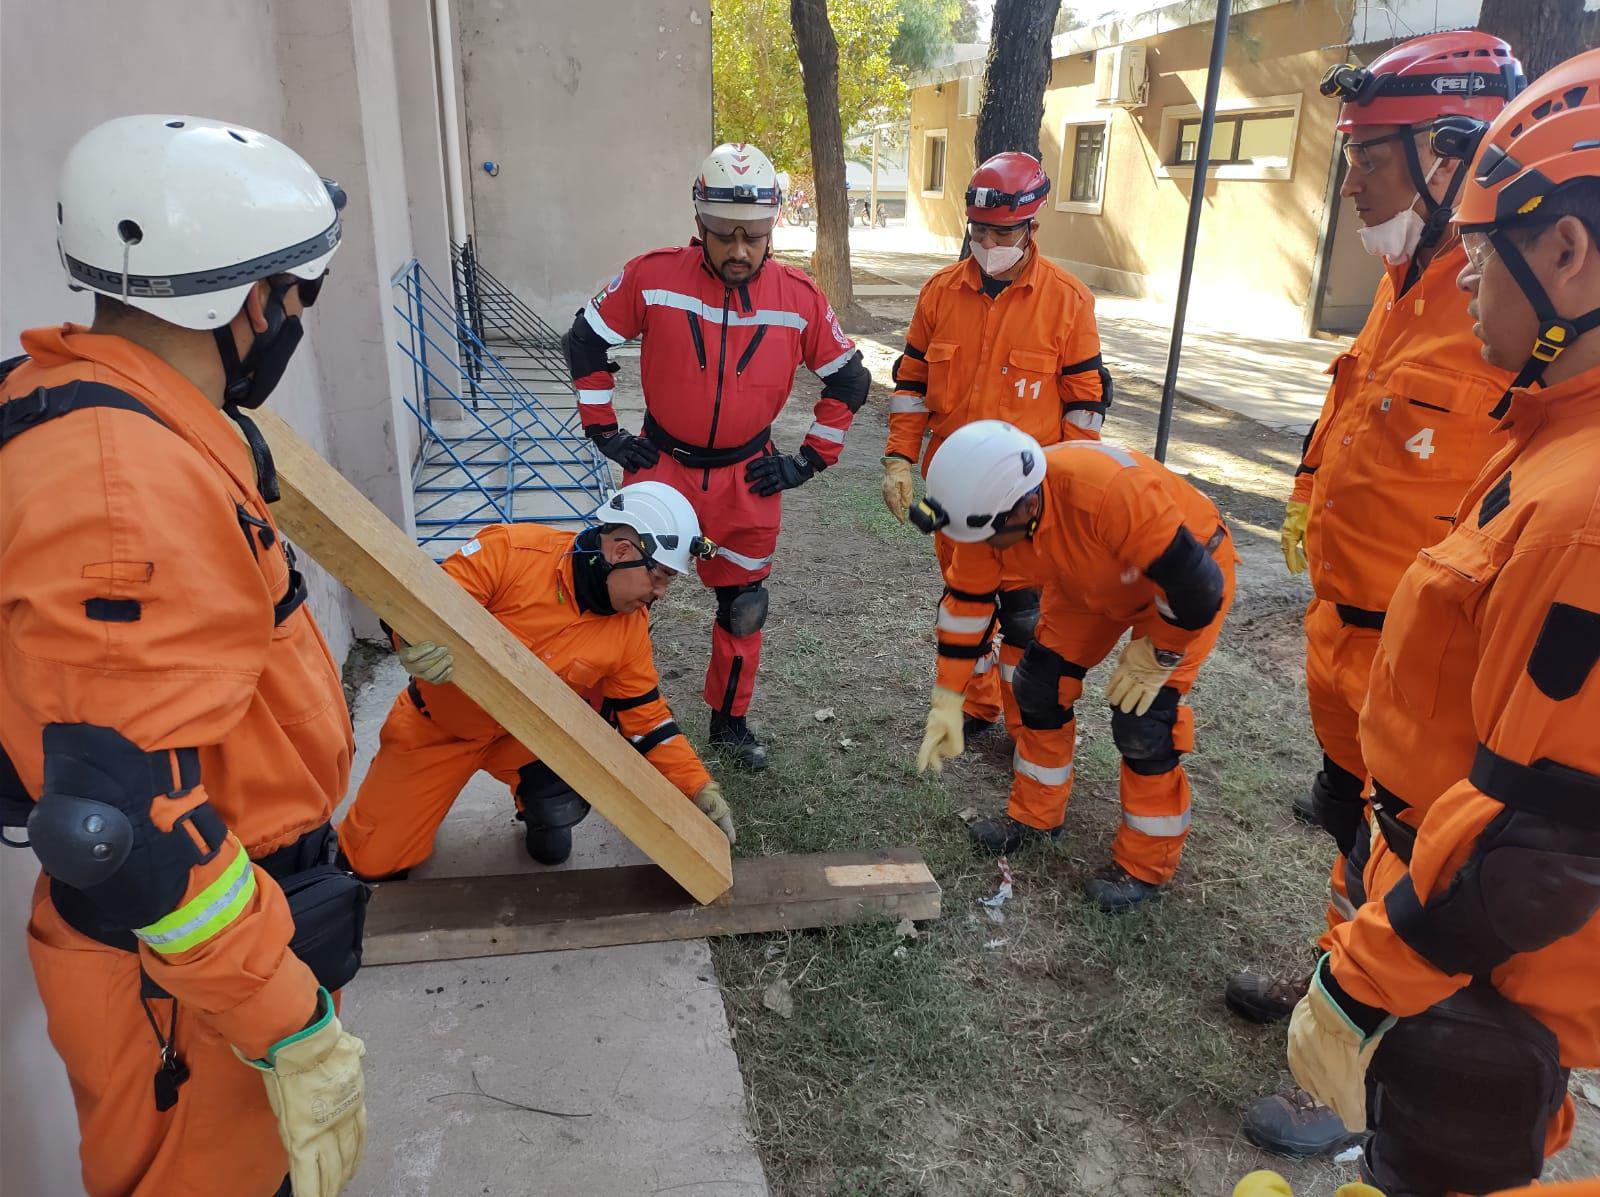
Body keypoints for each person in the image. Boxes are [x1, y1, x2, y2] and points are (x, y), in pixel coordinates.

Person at [0, 116, 365, 1197]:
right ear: (250, 302)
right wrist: (286, 1022)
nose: (293, 321)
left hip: (204, 956)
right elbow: (126, 827)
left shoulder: (104, 413)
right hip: (188, 986)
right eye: (297, 295)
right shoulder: (125, 491)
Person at [1286, 49, 1600, 1196]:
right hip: (1429, 880)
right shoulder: (1553, 426)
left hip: (1476, 963)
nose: (1466, 280)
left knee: (1451, 1147)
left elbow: (1539, 853)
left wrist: (1361, 985)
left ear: (1563, 251)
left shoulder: (1581, 511)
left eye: (1483, 249)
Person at [1227, 31, 1525, 1159]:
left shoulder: (1504, 315)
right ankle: (1330, 988)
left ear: (1451, 155)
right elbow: (1349, 416)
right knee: (1354, 839)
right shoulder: (1407, 288)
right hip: (1348, 638)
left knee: (1409, 866)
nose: (1351, 181)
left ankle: (1358, 1085)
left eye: (1370, 156)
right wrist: (1309, 498)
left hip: (1429, 663)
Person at [564, 142, 872, 770]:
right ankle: (598, 715)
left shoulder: (799, 297)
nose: (738, 250)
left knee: (744, 607)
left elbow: (849, 379)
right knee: (618, 591)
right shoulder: (653, 276)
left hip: (746, 479)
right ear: (698, 222)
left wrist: (809, 461)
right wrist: (605, 431)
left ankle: (729, 724)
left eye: (753, 236)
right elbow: (584, 340)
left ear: (771, 228)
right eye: (723, 233)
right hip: (660, 469)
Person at [911, 420, 1234, 912]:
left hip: (1182, 584)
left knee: (1144, 721)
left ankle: (1145, 863)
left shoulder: (1110, 492)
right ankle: (1036, 815)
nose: (989, 548)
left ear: (1027, 505)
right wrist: (948, 697)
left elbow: (1198, 589)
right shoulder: (984, 516)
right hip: (1090, 580)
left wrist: (1161, 652)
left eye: (995, 536)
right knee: (1039, 685)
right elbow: (966, 609)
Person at [338, 482, 736, 880]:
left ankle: (538, 809)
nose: (662, 593)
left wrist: (697, 786)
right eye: (660, 576)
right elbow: (419, 603)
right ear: (621, 552)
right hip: (440, 728)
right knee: (371, 861)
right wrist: (407, 638)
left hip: (526, 738)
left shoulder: (630, 629)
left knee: (559, 818)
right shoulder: (510, 553)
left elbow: (647, 719)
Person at [884, 152, 1111, 748]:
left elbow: (1084, 404)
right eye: (978, 231)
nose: (987, 244)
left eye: (1001, 234)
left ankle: (1025, 721)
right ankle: (979, 704)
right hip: (953, 490)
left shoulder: (1067, 300)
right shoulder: (939, 293)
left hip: (1025, 499)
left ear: (1032, 226)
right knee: (965, 601)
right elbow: (911, 384)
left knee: (1025, 618)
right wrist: (899, 458)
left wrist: (1069, 489)